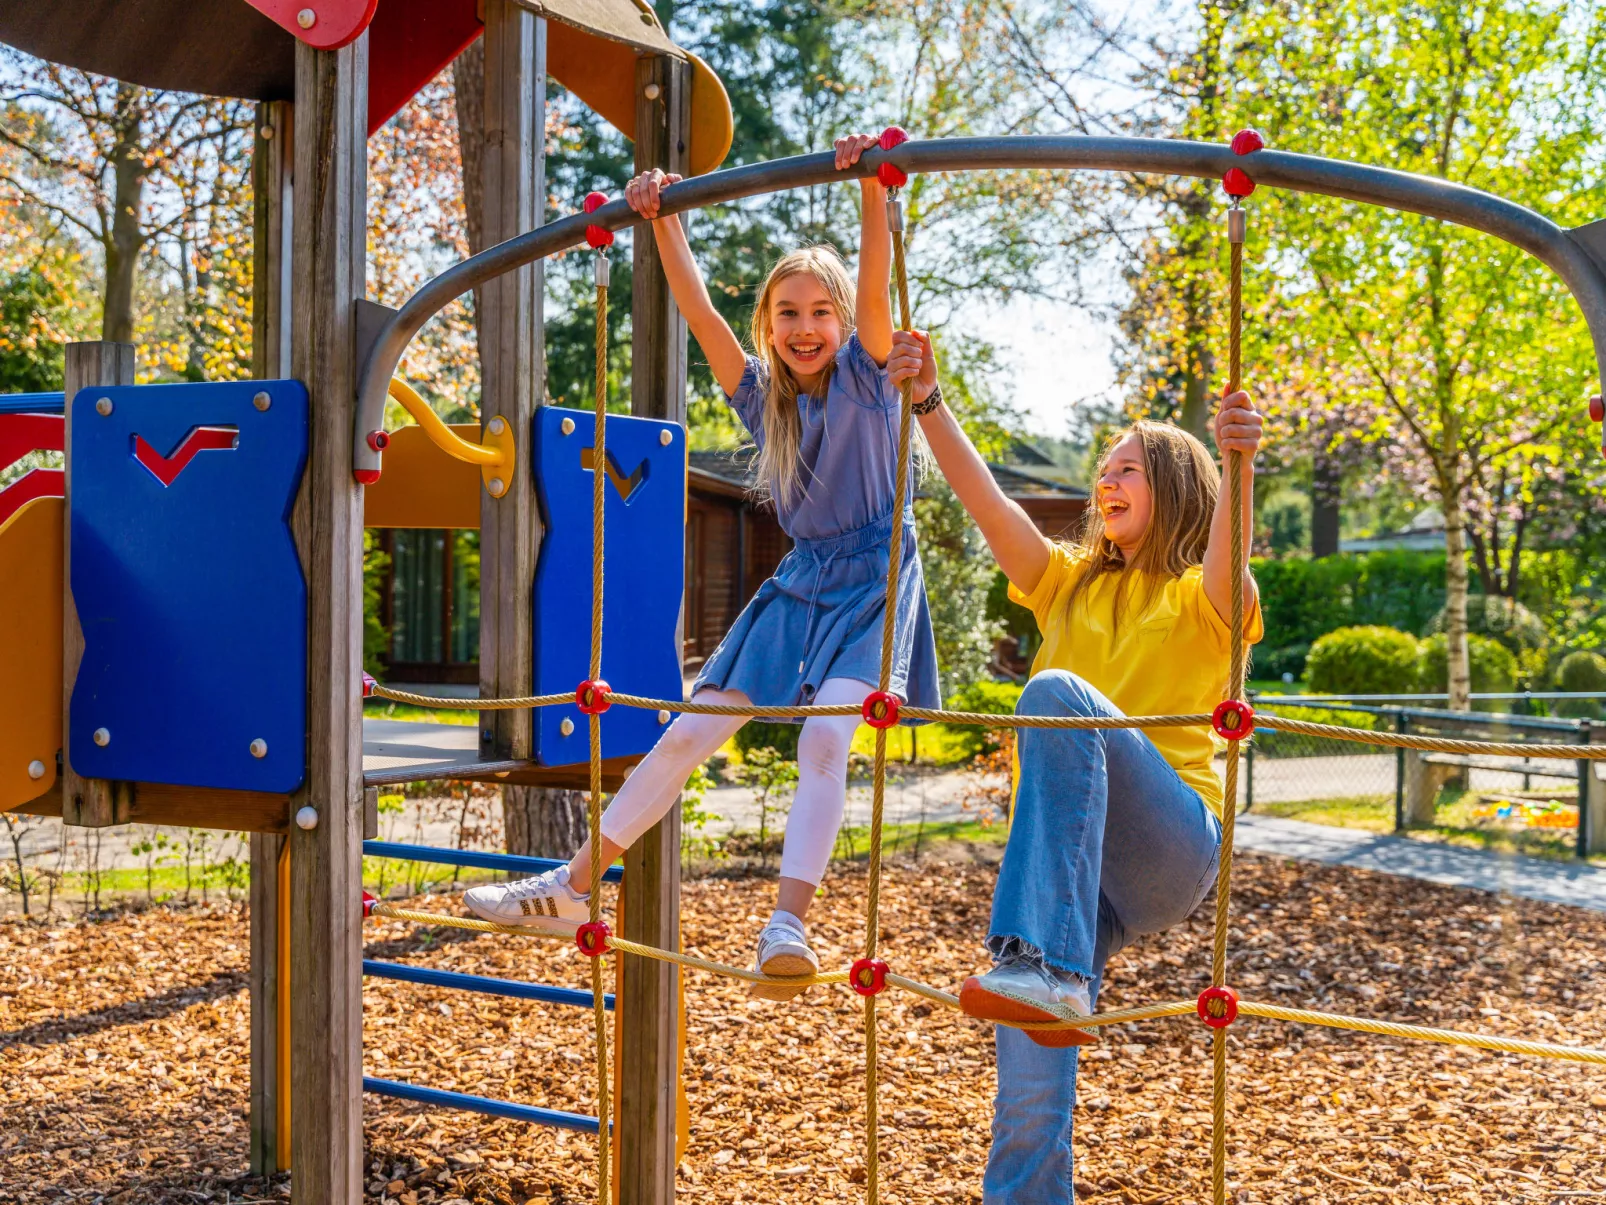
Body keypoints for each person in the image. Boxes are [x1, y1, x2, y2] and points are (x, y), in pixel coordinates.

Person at [465, 135, 940, 1000]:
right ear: (770, 326)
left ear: (842, 322)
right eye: (788, 313)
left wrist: (874, 187)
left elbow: (875, 289)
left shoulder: (871, 381)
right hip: (801, 581)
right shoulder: (765, 398)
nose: (805, 328)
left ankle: (788, 921)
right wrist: (662, 222)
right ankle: (572, 885)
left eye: (819, 312)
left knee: (827, 737)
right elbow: (700, 316)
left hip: (873, 579)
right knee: (686, 731)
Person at [886, 328, 1264, 1202]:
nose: (1106, 480)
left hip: (1167, 844)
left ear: (1171, 486)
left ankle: (1046, 971)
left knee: (1056, 691)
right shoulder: (1069, 584)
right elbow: (989, 508)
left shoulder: (1200, 598)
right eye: (1104, 468)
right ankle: (1044, 992)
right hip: (1070, 887)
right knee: (1025, 1082)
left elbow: (1228, 557)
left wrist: (1240, 463)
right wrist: (929, 403)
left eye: (1127, 468)